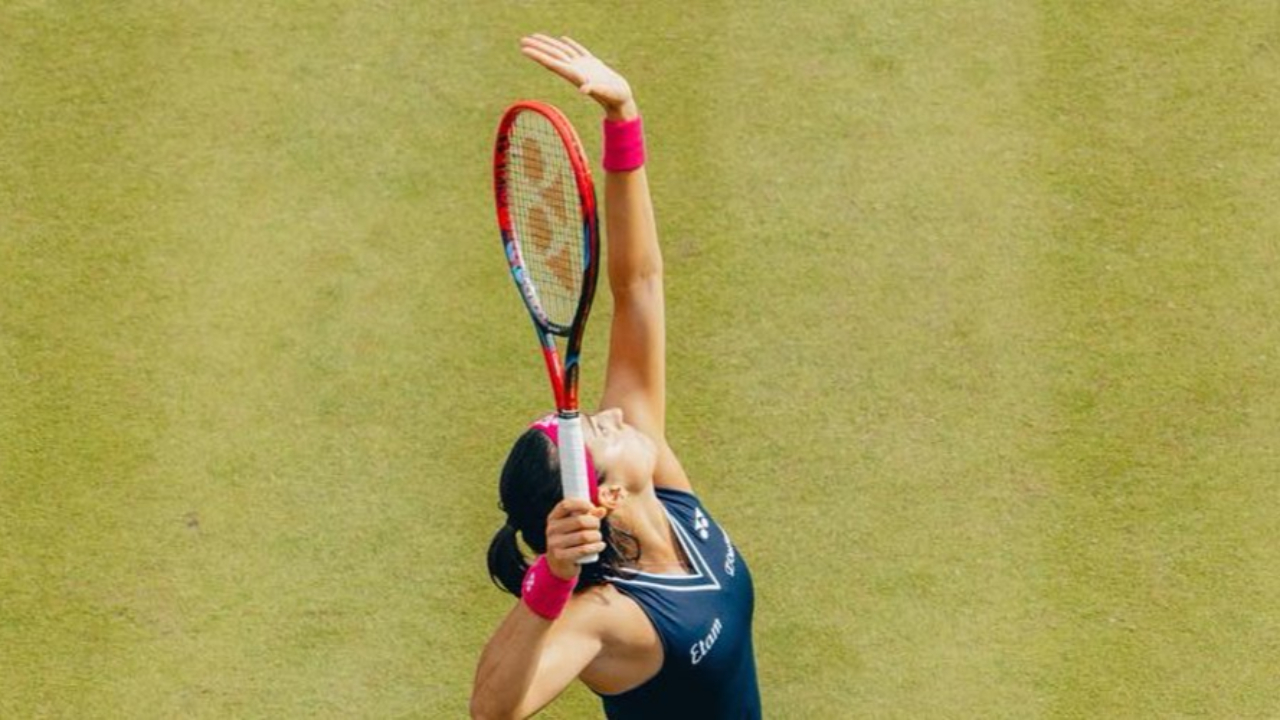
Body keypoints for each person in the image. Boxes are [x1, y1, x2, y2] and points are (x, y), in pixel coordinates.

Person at [471, 34, 763, 720]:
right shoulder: (607, 617)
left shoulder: (662, 486)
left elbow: (639, 288)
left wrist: (623, 119)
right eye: (601, 430)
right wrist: (552, 581)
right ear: (599, 492)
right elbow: (489, 712)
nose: (613, 415)